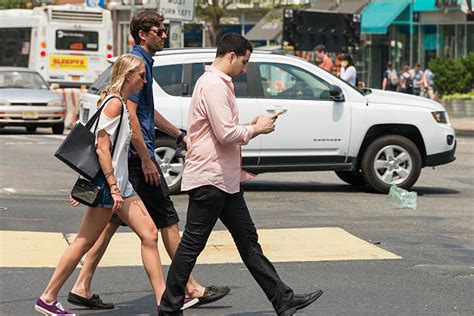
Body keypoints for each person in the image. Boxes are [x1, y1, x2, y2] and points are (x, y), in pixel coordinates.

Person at [66, 10, 229, 311]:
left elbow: (147, 112)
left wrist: (178, 136)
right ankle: (188, 287)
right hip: (137, 160)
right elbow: (131, 114)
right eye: (159, 31)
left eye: (164, 30)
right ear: (142, 34)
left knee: (110, 223)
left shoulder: (144, 64)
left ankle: (82, 284)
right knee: (166, 220)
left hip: (134, 160)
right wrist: (147, 159)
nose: (164, 35)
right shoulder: (137, 65)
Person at [159, 33, 323, 315]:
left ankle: (282, 299)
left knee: (248, 242)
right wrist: (257, 129)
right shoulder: (213, 85)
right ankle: (169, 306)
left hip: (224, 179)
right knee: (191, 246)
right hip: (211, 178)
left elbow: (221, 129)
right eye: (244, 62)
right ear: (231, 56)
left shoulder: (218, 84)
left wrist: (251, 124)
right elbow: (225, 134)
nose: (245, 69)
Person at [35, 54, 166, 316]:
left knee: (149, 234)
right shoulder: (115, 104)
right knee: (83, 241)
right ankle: (48, 298)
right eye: (141, 75)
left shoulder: (123, 102)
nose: (145, 79)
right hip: (112, 187)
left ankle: (166, 302)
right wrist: (113, 188)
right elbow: (102, 147)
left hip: (122, 185)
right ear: (128, 76)